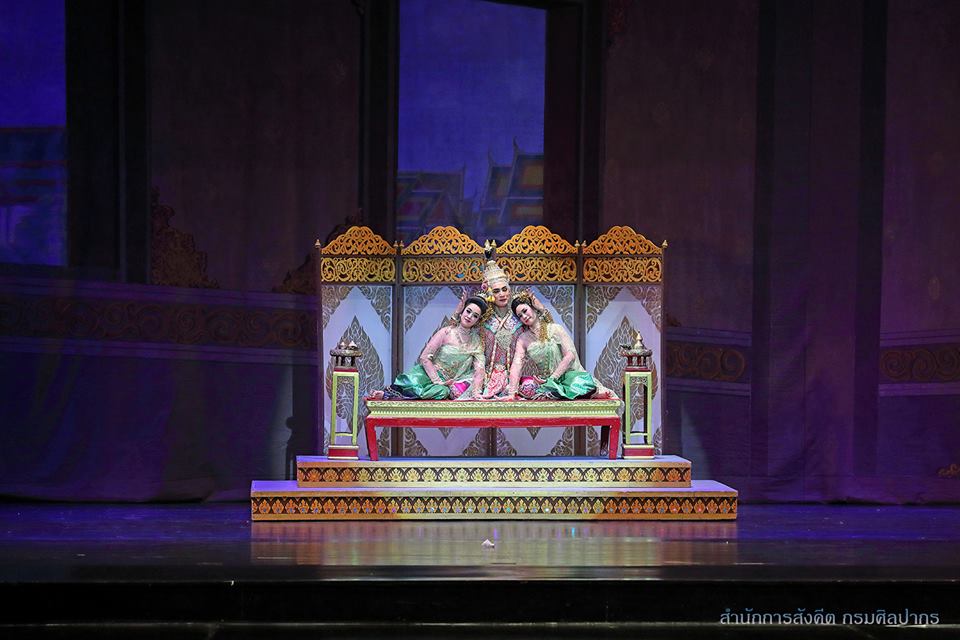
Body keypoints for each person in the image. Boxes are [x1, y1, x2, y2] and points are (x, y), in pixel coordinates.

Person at [503, 293, 616, 401]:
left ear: (533, 308)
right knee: (527, 388)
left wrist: (553, 378)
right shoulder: (523, 338)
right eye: (520, 316)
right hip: (545, 383)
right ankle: (557, 392)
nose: (524, 316)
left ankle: (583, 392)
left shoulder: (555, 329)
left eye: (525, 311)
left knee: (580, 383)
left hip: (567, 377)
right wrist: (511, 393)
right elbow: (517, 364)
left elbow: (570, 356)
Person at [370, 296, 488, 400]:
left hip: (450, 384)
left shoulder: (476, 342)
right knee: (412, 384)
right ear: (461, 312)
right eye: (468, 311)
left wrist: (476, 392)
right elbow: (425, 357)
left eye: (475, 316)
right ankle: (387, 395)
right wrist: (437, 381)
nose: (469, 316)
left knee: (443, 392)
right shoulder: (446, 332)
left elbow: (479, 369)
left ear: (477, 321)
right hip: (429, 374)